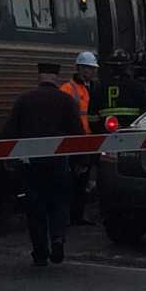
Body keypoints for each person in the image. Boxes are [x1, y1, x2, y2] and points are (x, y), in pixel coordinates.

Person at [4, 62, 85, 266]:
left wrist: (10, 159)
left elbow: (10, 132)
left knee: (35, 206)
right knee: (59, 202)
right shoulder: (66, 101)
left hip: (31, 164)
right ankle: (58, 239)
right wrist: (80, 161)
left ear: (39, 77)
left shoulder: (24, 100)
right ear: (56, 78)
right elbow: (77, 134)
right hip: (58, 162)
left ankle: (40, 252)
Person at [60, 51, 99, 226]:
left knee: (83, 180)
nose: (92, 72)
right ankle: (71, 215)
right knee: (73, 179)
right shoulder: (68, 89)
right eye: (89, 68)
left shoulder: (94, 87)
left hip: (90, 139)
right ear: (80, 68)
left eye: (93, 69)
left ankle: (78, 214)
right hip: (76, 140)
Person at [89, 48, 146, 133]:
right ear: (127, 67)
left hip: (105, 134)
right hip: (132, 134)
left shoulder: (99, 87)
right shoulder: (137, 86)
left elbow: (92, 117)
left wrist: (100, 130)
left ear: (110, 67)